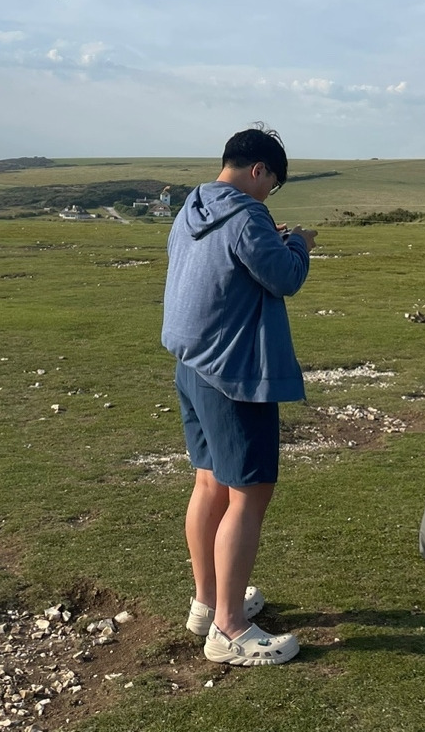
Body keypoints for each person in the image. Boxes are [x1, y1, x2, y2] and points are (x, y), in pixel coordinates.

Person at [161, 124, 317, 667]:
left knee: (209, 483)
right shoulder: (247, 216)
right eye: (272, 184)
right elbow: (285, 278)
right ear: (258, 170)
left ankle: (207, 602)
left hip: (190, 364)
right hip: (234, 373)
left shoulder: (192, 206)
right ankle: (229, 628)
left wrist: (269, 236)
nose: (268, 194)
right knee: (249, 494)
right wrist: (297, 244)